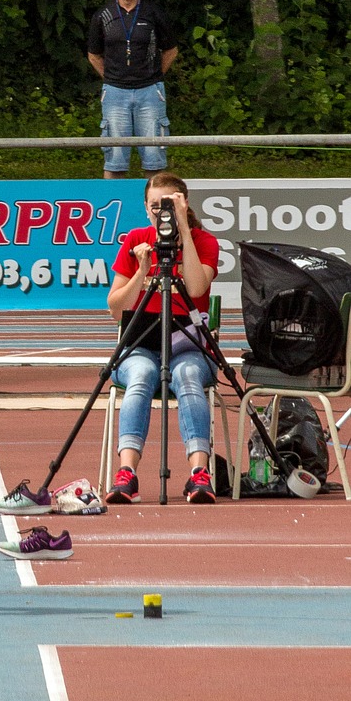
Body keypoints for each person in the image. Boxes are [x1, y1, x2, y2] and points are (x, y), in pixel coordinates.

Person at [105, 171, 220, 505]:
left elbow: (197, 288)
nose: (160, 212)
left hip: (188, 347)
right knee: (142, 374)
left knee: (185, 375)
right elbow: (115, 309)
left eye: (168, 204)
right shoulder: (135, 240)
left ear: (183, 204)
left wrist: (183, 228)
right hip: (140, 346)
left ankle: (200, 473)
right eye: (154, 205)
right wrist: (142, 271)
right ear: (145, 208)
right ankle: (127, 473)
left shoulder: (204, 241)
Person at [87, 0, 178, 179]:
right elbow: (93, 55)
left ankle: (155, 209)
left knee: (154, 156)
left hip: (150, 92)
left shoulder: (154, 13)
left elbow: (171, 50)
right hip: (115, 93)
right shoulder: (103, 15)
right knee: (115, 158)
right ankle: (114, 207)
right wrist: (112, 78)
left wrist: (154, 76)